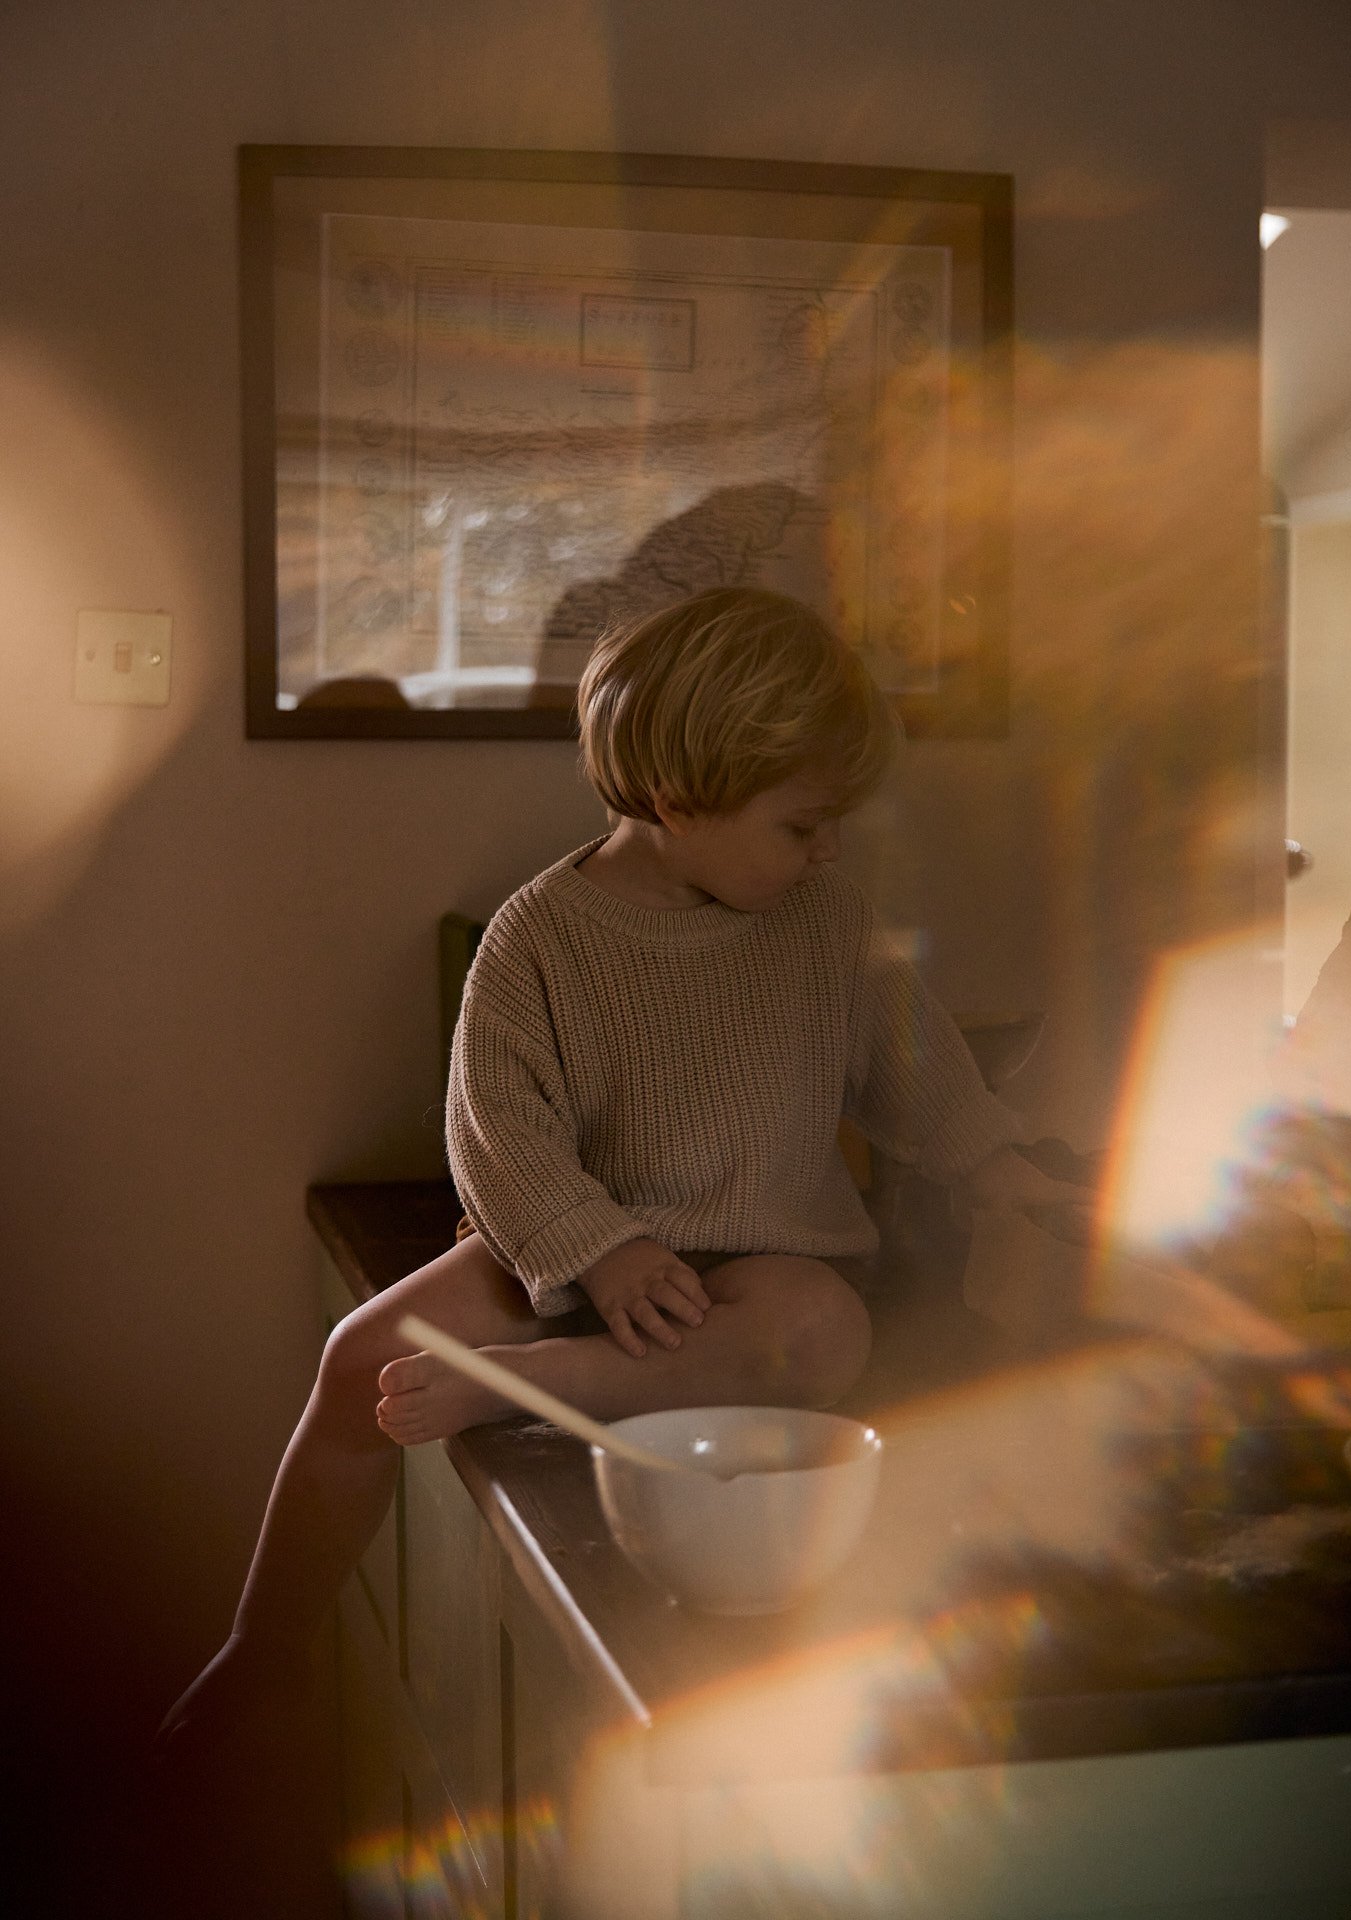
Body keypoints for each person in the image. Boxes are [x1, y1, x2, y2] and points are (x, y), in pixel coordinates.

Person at [159, 585, 1082, 1748]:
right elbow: (494, 1129)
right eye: (800, 824)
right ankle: (266, 1641)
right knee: (359, 1361)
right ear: (673, 797)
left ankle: (536, 1386)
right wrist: (599, 1250)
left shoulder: (827, 923)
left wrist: (1001, 1166)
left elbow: (922, 1074)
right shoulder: (540, 936)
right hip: (561, 1257)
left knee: (822, 1327)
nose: (828, 847)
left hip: (753, 1272)